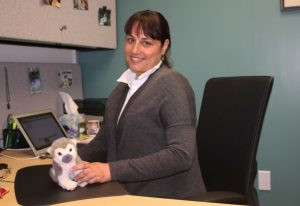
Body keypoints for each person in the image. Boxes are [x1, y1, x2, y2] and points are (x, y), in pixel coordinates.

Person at [71, 10, 206, 199]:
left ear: (164, 46)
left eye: (146, 43)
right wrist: (71, 159)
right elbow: (104, 142)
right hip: (127, 193)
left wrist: (110, 170)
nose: (135, 50)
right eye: (130, 40)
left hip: (167, 197)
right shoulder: (122, 88)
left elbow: (181, 155)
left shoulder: (172, 85)